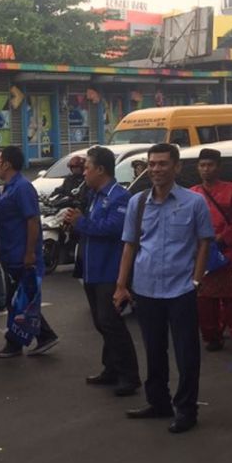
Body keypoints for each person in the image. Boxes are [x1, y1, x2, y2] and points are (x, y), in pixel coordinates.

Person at [115, 143, 214, 434]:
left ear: (177, 167)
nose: (156, 169)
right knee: (154, 349)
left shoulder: (193, 202)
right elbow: (130, 245)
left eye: (162, 164)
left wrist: (196, 280)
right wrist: (122, 285)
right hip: (146, 288)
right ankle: (158, 402)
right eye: (152, 164)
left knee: (186, 353)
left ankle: (186, 409)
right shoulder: (138, 202)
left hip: (181, 288)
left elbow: (205, 241)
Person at [63, 146, 140, 395]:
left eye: (87, 168)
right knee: (101, 322)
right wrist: (76, 223)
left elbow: (112, 229)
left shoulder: (120, 197)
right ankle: (111, 368)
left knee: (111, 322)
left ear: (100, 169)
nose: (83, 173)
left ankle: (130, 375)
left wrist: (81, 222)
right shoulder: (93, 195)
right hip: (92, 270)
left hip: (110, 271)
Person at [0, 145, 60, 357]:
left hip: (22, 254)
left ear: (7, 164)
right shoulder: (9, 186)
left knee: (21, 300)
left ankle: (27, 339)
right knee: (19, 300)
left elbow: (32, 220)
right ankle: (22, 340)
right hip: (10, 253)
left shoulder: (22, 187)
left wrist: (30, 252)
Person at [191, 148, 232, 352]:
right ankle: (211, 338)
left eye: (210, 165)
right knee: (205, 301)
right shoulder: (193, 193)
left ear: (219, 167)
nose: (206, 169)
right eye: (202, 165)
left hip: (228, 253)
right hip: (203, 255)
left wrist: (223, 237)